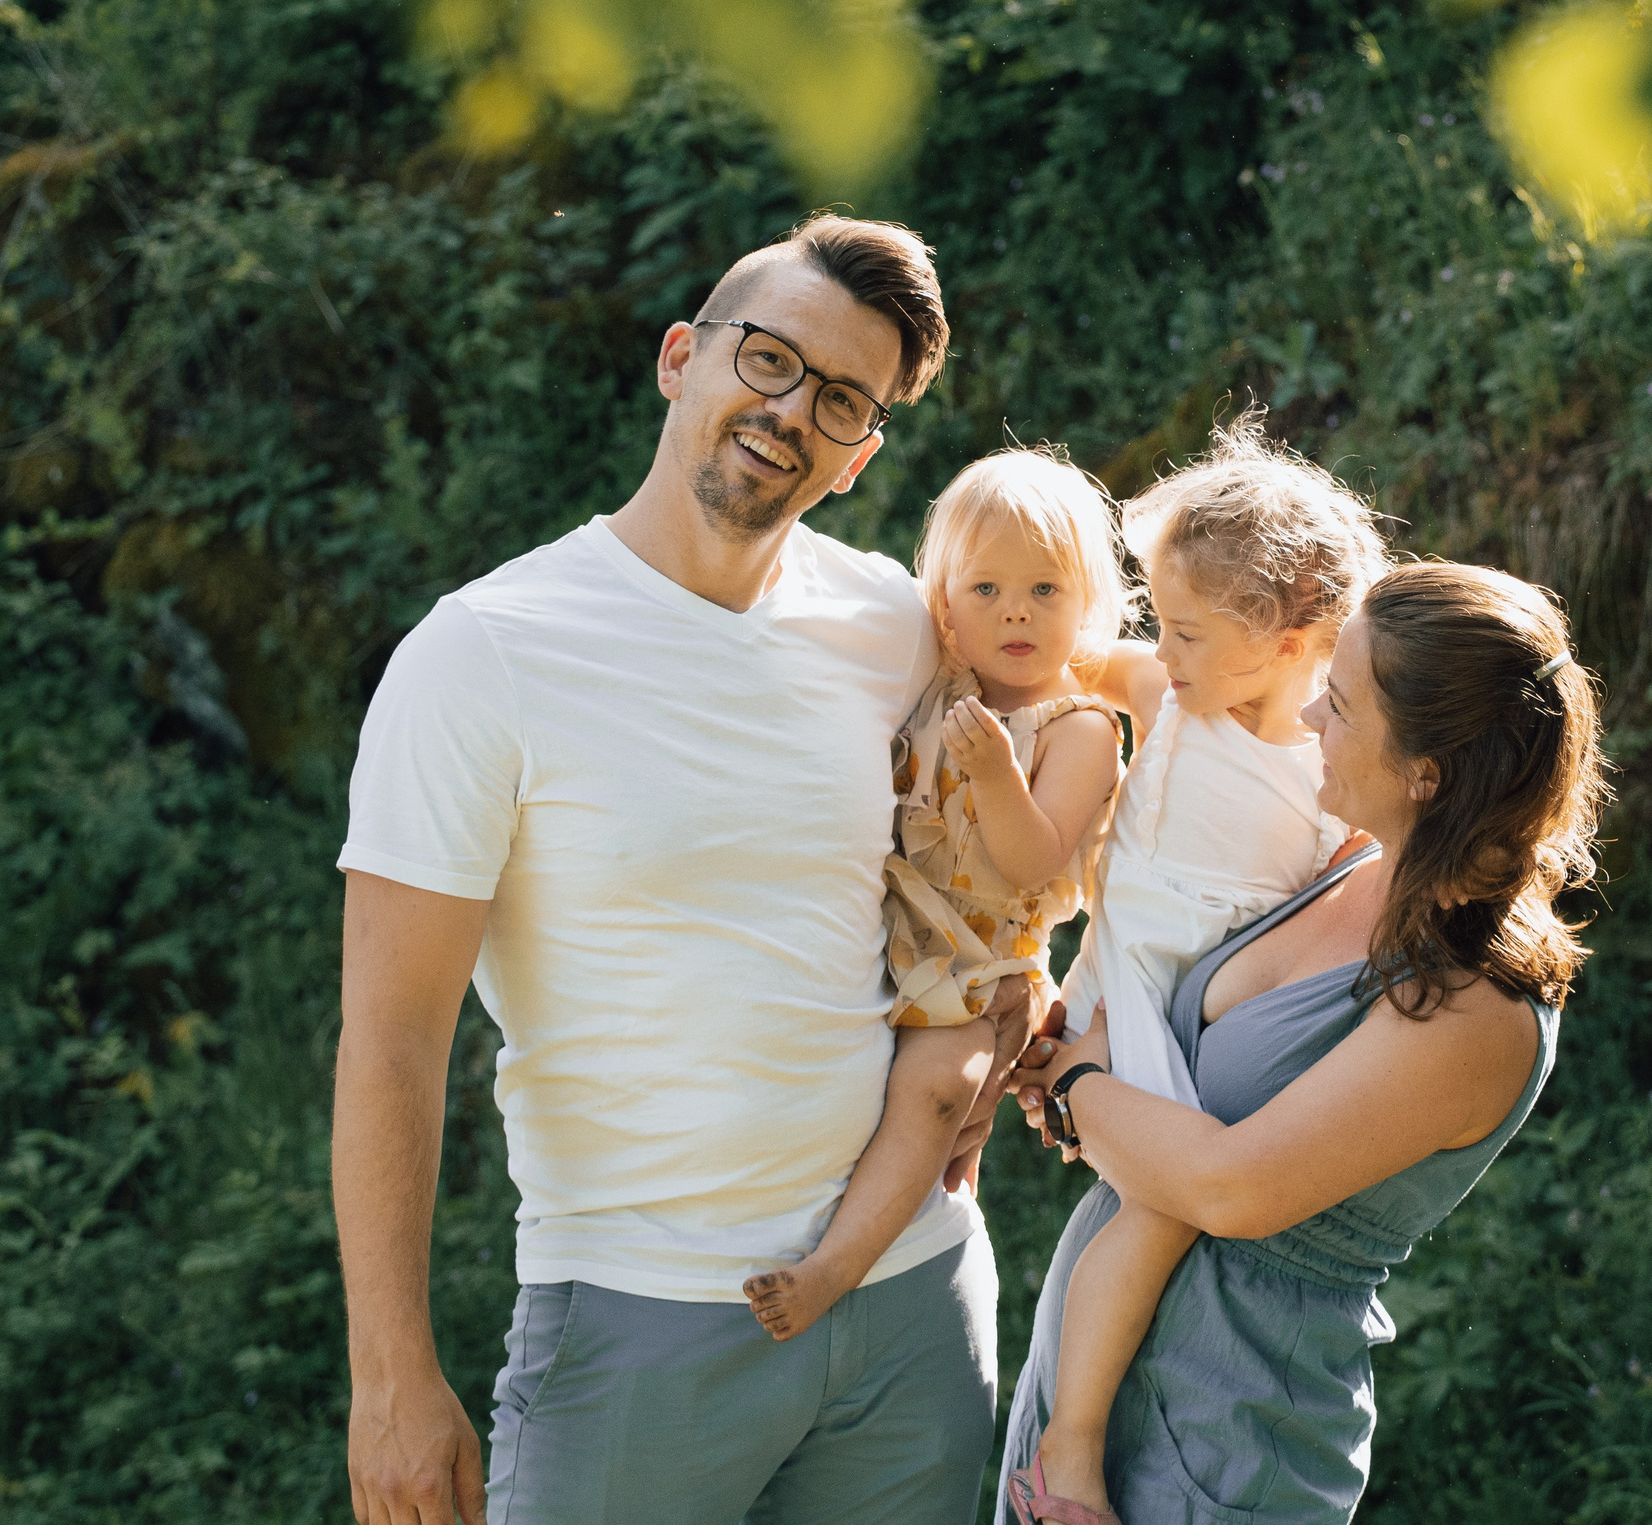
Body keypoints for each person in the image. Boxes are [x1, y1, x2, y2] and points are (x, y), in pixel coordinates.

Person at [331, 214, 1035, 1525]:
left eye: (838, 401)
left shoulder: (892, 622)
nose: (788, 412)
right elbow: (389, 1037)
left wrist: (1010, 1001)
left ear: (859, 455)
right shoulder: (483, 653)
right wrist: (390, 1378)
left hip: (911, 1304)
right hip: (638, 1322)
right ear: (680, 358)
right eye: (768, 360)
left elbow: (1004, 829)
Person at [1002, 561, 1610, 1525]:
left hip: (1227, 1439)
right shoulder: (1347, 859)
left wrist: (1078, 1085)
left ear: (1428, 770)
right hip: (1083, 1387)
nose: (1310, 723)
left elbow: (1228, 1186)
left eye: (1340, 704)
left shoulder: (1479, 1003)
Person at [1007, 420, 1387, 1521]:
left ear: (1291, 636)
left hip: (1173, 1026)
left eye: (1185, 632)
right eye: (1159, 626)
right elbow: (1062, 658)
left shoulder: (1331, 770)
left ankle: (1069, 1443)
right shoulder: (1172, 694)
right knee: (981, 1069)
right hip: (1102, 972)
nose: (1160, 653)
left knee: (1158, 1211)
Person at [743, 446, 1128, 1340]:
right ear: (944, 606)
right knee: (917, 1124)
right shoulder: (933, 684)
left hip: (981, 962)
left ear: (1088, 606)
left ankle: (829, 1272)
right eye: (985, 589)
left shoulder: (1077, 730)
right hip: (893, 938)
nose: (1016, 612)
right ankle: (924, 1239)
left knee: (937, 1093)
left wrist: (997, 770)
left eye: (1045, 590)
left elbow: (1032, 859)